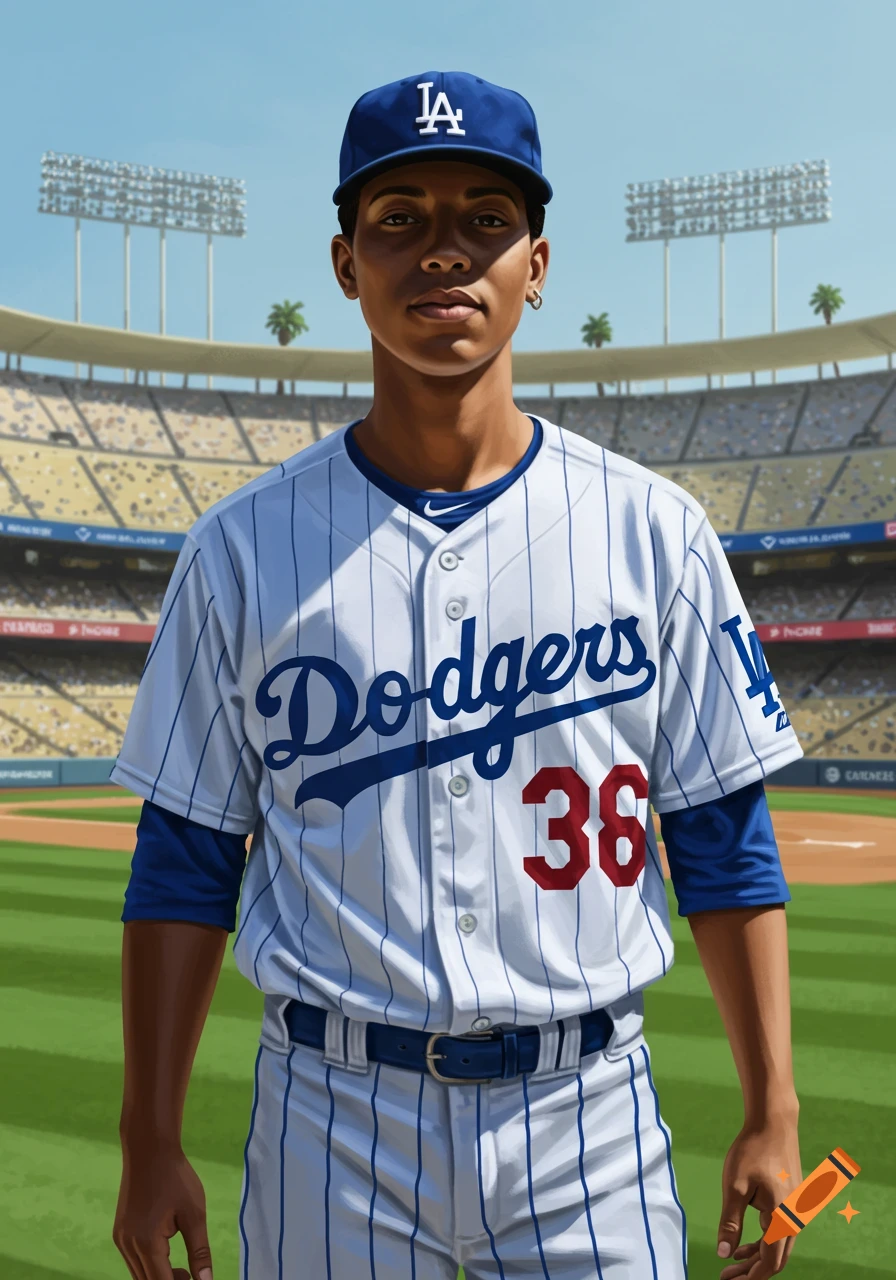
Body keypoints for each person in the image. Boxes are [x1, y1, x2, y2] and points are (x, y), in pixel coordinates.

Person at [111, 70, 803, 1280]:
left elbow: (720, 831)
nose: (443, 252)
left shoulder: (653, 528)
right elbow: (184, 852)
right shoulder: (238, 546)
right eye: (400, 220)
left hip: (585, 1117)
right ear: (345, 263)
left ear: (536, 263)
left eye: (485, 218)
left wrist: (774, 1105)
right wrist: (147, 1131)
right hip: (330, 1117)